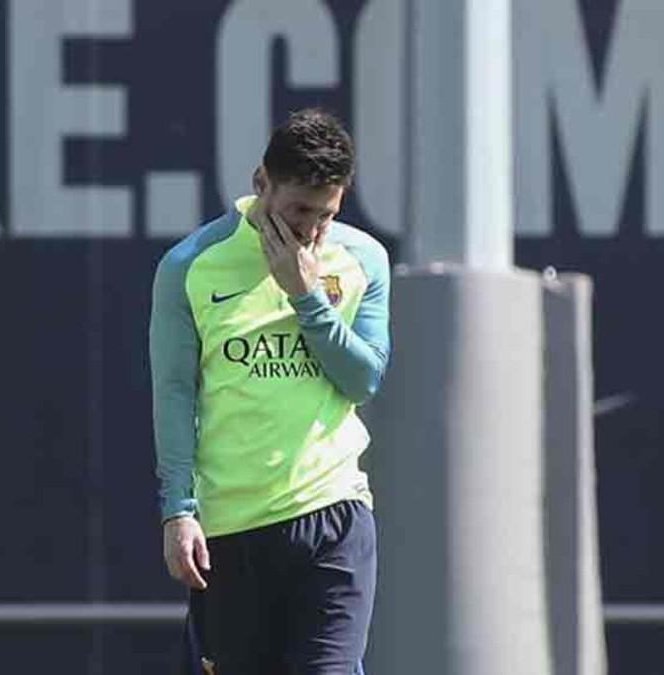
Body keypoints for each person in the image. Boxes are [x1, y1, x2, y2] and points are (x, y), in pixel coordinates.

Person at [151, 108, 390, 673]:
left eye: (325, 215)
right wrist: (178, 512)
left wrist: (307, 298)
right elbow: (174, 394)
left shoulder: (361, 260)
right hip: (233, 530)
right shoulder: (190, 266)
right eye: (298, 210)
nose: (309, 229)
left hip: (334, 512)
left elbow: (363, 379)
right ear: (261, 183)